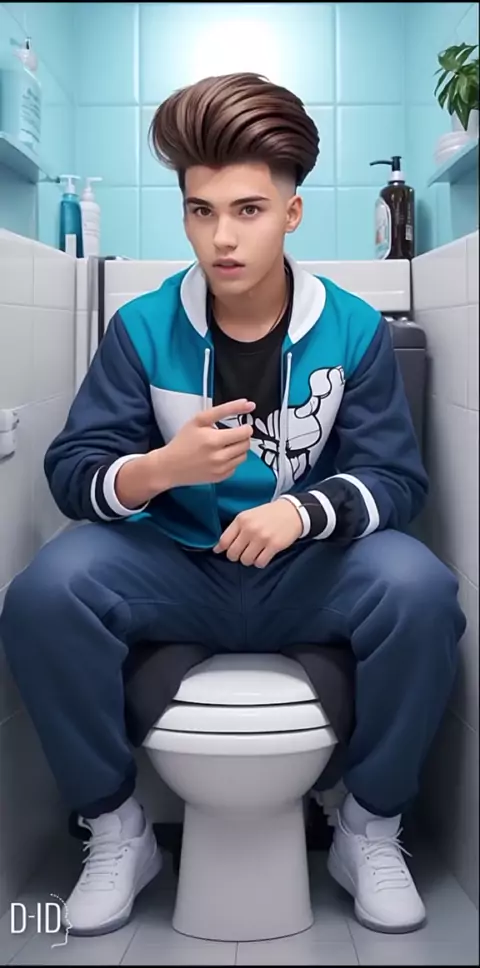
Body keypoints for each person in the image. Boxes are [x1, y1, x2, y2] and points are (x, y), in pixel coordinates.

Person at [0, 72, 466, 939]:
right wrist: (157, 469)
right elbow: (72, 472)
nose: (222, 236)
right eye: (201, 210)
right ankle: (116, 829)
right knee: (42, 595)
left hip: (307, 574)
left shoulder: (354, 329)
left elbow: (397, 482)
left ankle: (370, 828)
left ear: (291, 214)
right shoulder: (142, 328)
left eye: (248, 210)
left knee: (422, 589)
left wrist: (303, 513)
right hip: (175, 570)